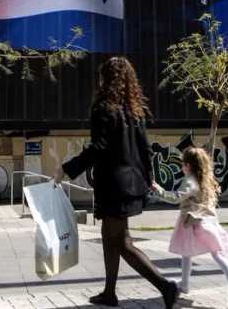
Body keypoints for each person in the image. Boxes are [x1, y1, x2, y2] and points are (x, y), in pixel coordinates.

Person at [54, 57, 180, 308]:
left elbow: (99, 147)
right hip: (132, 183)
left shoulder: (103, 107)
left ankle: (166, 287)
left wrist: (66, 169)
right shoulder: (134, 111)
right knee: (109, 237)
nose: (99, 80)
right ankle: (109, 293)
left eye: (102, 76)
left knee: (122, 242)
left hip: (114, 185)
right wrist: (149, 177)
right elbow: (146, 149)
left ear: (106, 79)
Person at [150, 147, 228, 307]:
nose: (181, 167)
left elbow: (176, 198)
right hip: (210, 223)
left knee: (187, 253)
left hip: (194, 224)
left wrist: (157, 189)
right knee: (218, 254)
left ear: (188, 165)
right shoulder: (207, 179)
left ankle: (185, 284)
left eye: (183, 164)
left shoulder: (190, 181)